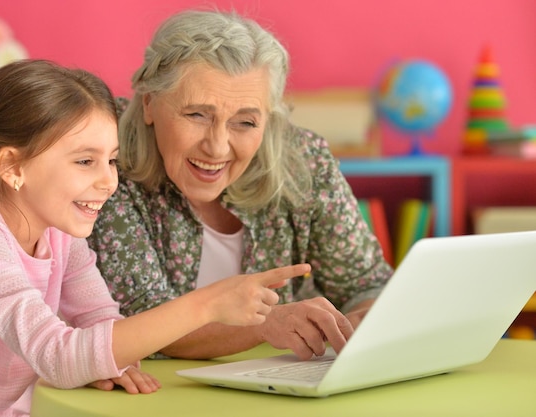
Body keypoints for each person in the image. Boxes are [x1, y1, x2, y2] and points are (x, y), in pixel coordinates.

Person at [0, 59, 310, 416]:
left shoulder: (59, 233)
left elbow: (99, 318)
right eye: (85, 161)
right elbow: (56, 355)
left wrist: (106, 361)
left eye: (111, 160)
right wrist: (207, 304)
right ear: (13, 166)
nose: (108, 181)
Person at [88, 10, 393, 362]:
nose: (217, 147)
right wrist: (266, 324)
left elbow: (365, 283)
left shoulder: (306, 162)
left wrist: (362, 320)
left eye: (245, 122)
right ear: (149, 104)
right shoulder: (106, 164)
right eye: (196, 115)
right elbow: (144, 320)